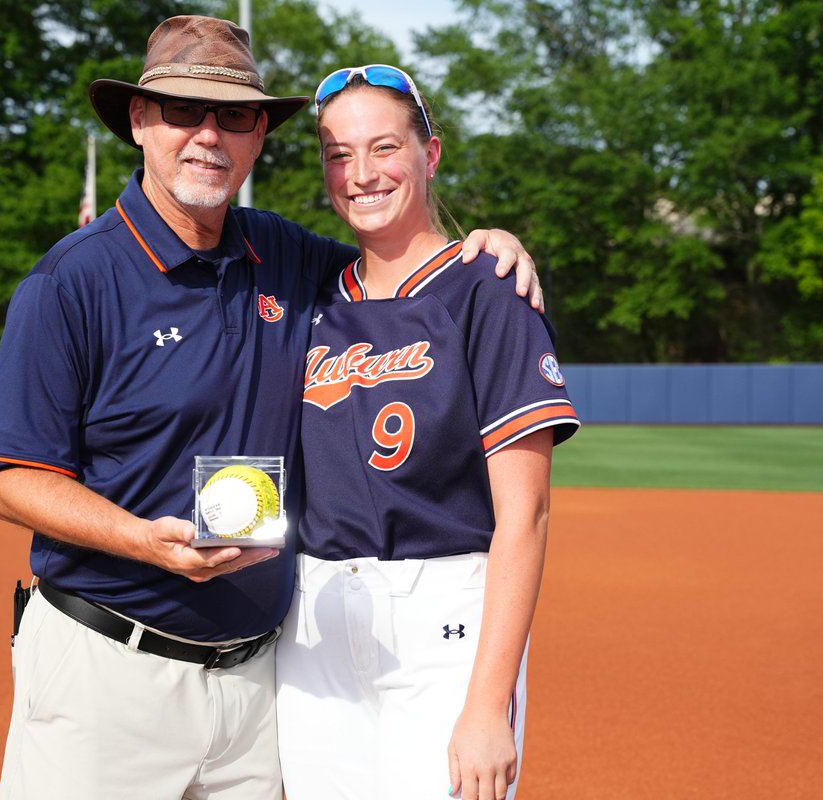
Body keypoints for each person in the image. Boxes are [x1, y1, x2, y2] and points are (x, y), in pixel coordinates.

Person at [0, 17, 544, 800]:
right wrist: (145, 542)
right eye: (182, 111)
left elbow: (406, 263)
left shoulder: (284, 253)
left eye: (234, 116)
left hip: (260, 689)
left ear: (258, 139)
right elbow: (5, 477)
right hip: (109, 672)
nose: (208, 135)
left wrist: (490, 246)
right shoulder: (73, 280)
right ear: (139, 122)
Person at [274, 64, 581, 800]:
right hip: (313, 625)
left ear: (430, 155)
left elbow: (526, 514)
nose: (361, 173)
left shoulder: (486, 288)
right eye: (338, 153)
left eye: (384, 148)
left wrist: (486, 704)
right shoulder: (309, 297)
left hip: (444, 619)